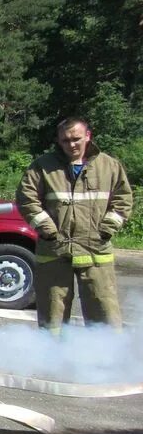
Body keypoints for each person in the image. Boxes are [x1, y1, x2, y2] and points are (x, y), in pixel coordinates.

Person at [15, 117, 133, 331]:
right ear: (58, 141)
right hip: (55, 249)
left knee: (104, 314)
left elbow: (123, 200)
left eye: (76, 139)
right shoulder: (43, 166)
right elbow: (26, 199)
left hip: (96, 250)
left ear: (88, 136)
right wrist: (47, 230)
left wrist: (106, 229)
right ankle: (52, 360)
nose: (71, 145)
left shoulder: (109, 166)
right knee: (53, 318)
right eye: (65, 140)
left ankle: (104, 361)